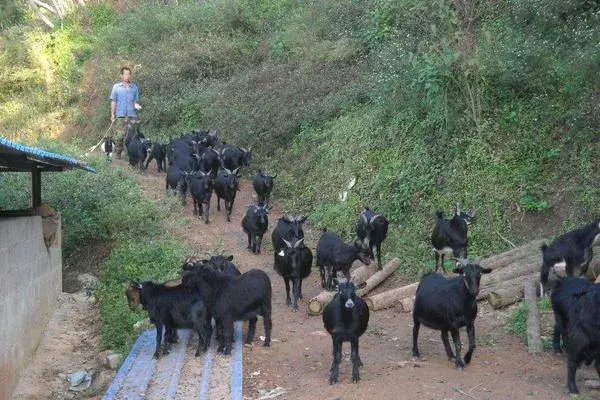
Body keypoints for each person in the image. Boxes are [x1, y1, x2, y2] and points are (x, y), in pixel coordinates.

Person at [109, 67, 141, 159]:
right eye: (125, 74)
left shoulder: (134, 87)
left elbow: (135, 102)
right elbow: (113, 101)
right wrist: (112, 114)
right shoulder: (116, 87)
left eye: (129, 74)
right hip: (121, 115)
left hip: (132, 115)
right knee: (120, 135)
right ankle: (117, 153)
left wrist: (137, 106)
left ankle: (129, 154)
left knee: (131, 136)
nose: (127, 76)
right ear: (121, 76)